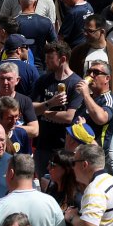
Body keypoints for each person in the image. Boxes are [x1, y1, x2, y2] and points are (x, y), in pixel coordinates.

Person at [32, 41, 84, 177]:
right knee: (44, 186)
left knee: (64, 188)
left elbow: (68, 117)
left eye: (50, 58)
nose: (46, 61)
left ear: (62, 59)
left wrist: (43, 111)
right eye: (46, 58)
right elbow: (31, 109)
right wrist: (50, 103)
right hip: (42, 146)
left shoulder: (76, 84)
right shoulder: (43, 80)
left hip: (65, 148)